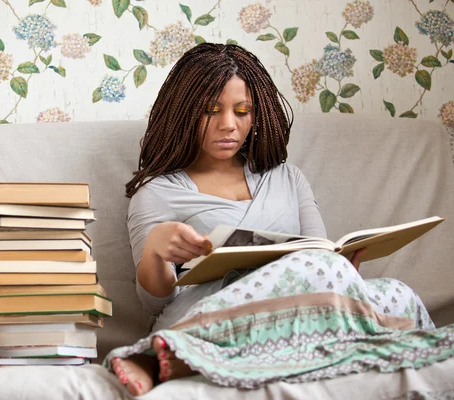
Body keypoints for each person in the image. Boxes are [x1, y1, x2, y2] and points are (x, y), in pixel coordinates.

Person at [103, 43, 447, 396]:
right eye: (211, 110)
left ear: (258, 114)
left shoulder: (288, 178)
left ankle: (221, 354)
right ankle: (166, 352)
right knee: (323, 271)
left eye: (242, 111)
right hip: (203, 311)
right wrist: (156, 252)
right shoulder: (157, 192)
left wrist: (346, 268)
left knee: (396, 294)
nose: (228, 125)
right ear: (184, 112)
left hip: (298, 311)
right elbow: (153, 302)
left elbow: (320, 260)